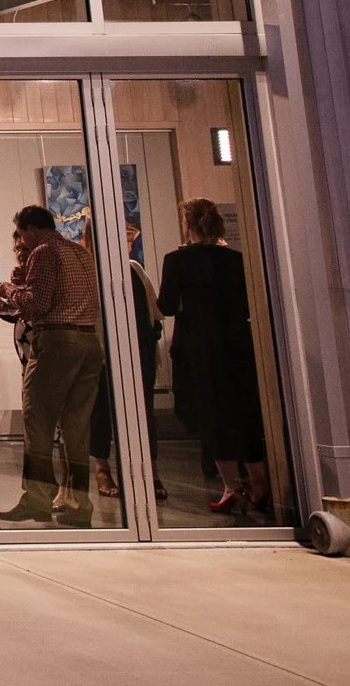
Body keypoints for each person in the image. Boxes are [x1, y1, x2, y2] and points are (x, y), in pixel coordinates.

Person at [0, 204, 104, 525]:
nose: (22, 242)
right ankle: (78, 504)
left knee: (37, 422)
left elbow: (38, 305)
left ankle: (37, 498)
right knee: (76, 429)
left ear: (31, 229)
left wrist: (10, 290)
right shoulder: (80, 253)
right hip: (89, 342)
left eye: (22, 235)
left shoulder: (43, 251)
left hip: (56, 344)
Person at [158, 197, 272, 515]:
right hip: (236, 344)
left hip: (197, 348)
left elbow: (167, 305)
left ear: (188, 226)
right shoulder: (235, 260)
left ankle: (231, 486)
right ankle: (259, 481)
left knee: (211, 416)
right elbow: (249, 304)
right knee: (244, 411)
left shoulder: (177, 261)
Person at [92, 223, 164, 504]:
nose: (129, 245)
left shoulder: (134, 269)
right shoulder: (93, 269)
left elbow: (153, 308)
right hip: (104, 350)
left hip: (138, 349)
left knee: (143, 411)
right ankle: (102, 467)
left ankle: (150, 469)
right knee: (102, 410)